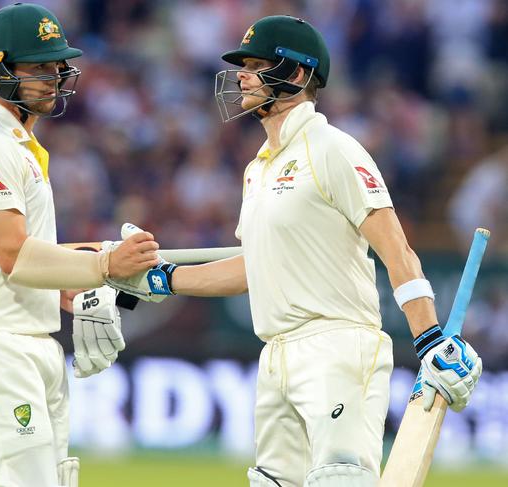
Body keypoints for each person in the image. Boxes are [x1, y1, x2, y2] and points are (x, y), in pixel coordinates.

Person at [107, 15, 483, 487]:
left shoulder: (332, 148)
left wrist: (427, 337)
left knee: (340, 480)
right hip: (276, 354)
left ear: (298, 75)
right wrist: (162, 278)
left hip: (337, 346)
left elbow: (396, 248)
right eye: (242, 65)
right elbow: (253, 269)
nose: (242, 75)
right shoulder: (257, 169)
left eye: (257, 65)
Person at [0, 4, 159, 487]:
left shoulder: (18, 144)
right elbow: (14, 254)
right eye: (38, 67)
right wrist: (104, 264)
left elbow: (28, 252)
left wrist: (100, 269)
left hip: (28, 343)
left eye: (57, 66)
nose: (54, 78)